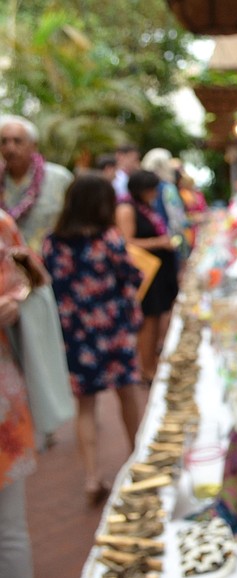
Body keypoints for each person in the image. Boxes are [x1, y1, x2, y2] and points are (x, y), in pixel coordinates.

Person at [42, 173, 144, 505]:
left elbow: (48, 284)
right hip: (112, 328)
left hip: (76, 333)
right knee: (127, 394)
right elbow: (132, 275)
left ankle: (91, 476)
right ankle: (136, 458)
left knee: (85, 406)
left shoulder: (52, 241)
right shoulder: (107, 239)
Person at [0, 209, 37, 578]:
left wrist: (16, 299)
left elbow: (30, 279)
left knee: (9, 528)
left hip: (2, 400)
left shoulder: (3, 225)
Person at [117, 170, 179, 384]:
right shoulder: (126, 209)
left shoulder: (144, 206)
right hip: (145, 273)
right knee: (148, 321)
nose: (155, 193)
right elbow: (127, 242)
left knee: (154, 318)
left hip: (156, 272)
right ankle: (146, 368)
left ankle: (151, 362)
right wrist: (159, 243)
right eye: (152, 189)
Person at [0, 115, 73, 253]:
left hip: (50, 266)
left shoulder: (60, 178)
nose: (10, 148)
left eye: (17, 141)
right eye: (4, 141)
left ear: (33, 146)